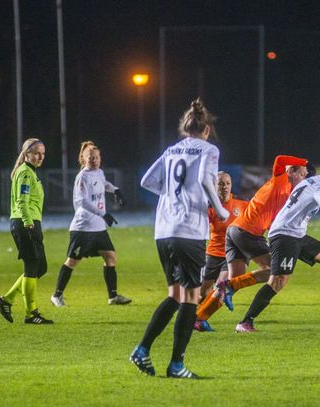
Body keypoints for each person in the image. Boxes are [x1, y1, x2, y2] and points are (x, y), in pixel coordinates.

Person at [129, 98, 228, 379]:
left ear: (185, 128)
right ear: (206, 129)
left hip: (164, 230)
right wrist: (220, 210)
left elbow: (147, 181)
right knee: (191, 297)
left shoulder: (172, 150)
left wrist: (173, 196)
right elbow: (207, 181)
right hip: (189, 230)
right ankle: (176, 365)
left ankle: (142, 350)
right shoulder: (209, 149)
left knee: (175, 295)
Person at [234, 158, 320, 332]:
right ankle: (245, 322)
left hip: (296, 234)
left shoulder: (311, 181)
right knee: (278, 281)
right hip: (284, 235)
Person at [194, 154, 310, 327]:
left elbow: (271, 221)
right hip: (246, 232)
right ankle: (227, 288)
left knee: (234, 279)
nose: (304, 177)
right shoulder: (280, 179)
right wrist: (304, 162)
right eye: (302, 173)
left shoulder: (288, 195)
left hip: (235, 231)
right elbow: (279, 159)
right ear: (291, 172)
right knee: (275, 272)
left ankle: (199, 318)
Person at [50, 141, 131, 307]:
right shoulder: (83, 176)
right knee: (73, 261)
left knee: (110, 256)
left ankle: (113, 296)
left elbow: (104, 183)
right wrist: (103, 214)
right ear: (83, 158)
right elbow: (82, 201)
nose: (94, 160)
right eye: (90, 157)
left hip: (98, 227)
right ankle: (56, 295)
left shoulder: (99, 173)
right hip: (84, 227)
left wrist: (115, 189)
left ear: (100, 158)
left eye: (96, 157)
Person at [0, 138, 53, 324]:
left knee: (40, 267)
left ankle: (6, 300)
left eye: (42, 154)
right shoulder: (26, 173)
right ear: (27, 154)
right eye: (36, 153)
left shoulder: (30, 172)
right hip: (26, 223)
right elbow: (22, 200)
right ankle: (31, 313)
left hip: (30, 221)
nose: (40, 157)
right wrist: (28, 222)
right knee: (32, 266)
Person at [194, 171, 248, 332]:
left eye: (227, 183)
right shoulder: (209, 206)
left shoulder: (242, 202)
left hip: (234, 254)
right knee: (202, 293)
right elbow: (200, 231)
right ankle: (194, 317)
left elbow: (252, 222)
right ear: (214, 186)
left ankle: (200, 319)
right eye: (220, 183)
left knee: (222, 286)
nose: (224, 187)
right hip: (213, 253)